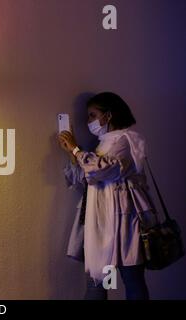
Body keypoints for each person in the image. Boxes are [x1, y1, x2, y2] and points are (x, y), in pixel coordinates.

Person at [58, 92, 159, 300]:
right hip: (100, 225)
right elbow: (86, 179)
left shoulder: (127, 140)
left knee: (131, 280)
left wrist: (77, 151)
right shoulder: (102, 144)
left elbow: (104, 169)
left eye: (92, 115)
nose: (89, 121)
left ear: (108, 116)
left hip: (124, 224)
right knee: (97, 282)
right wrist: (72, 154)